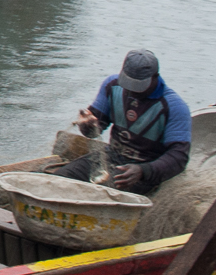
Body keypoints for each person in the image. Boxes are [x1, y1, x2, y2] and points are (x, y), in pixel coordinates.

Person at [49, 49, 191, 195]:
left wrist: (143, 171)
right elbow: (95, 128)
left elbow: (179, 158)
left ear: (155, 77)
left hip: (145, 170)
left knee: (104, 195)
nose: (132, 91)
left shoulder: (174, 107)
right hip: (111, 158)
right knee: (58, 181)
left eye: (138, 86)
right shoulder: (112, 86)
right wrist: (87, 125)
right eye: (128, 84)